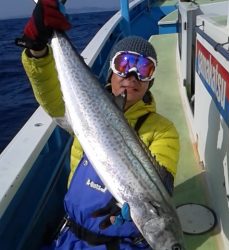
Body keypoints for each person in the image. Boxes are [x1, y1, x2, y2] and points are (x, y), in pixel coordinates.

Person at [16, 0, 180, 249]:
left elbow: (163, 178)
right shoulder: (82, 108)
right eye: (124, 65)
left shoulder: (162, 130)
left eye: (144, 69)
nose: (132, 76)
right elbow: (48, 91)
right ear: (111, 73)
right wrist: (37, 48)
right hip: (71, 236)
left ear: (150, 82)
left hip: (124, 241)